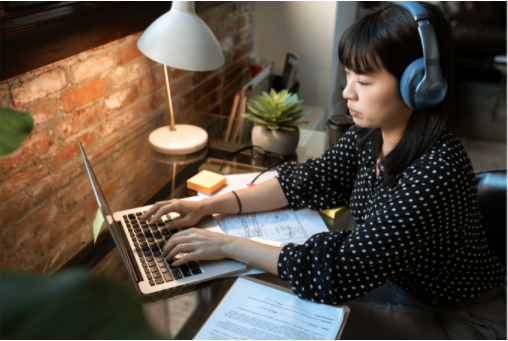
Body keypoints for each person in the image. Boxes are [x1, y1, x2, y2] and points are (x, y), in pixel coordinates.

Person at [140, 2, 506, 339]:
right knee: (273, 300)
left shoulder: (438, 168)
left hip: (454, 316)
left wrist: (225, 244)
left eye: (363, 81)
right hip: (392, 282)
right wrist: (211, 205)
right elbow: (308, 180)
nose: (347, 92)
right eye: (348, 75)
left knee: (285, 324)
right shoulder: (370, 135)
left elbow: (340, 269)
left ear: (420, 87)